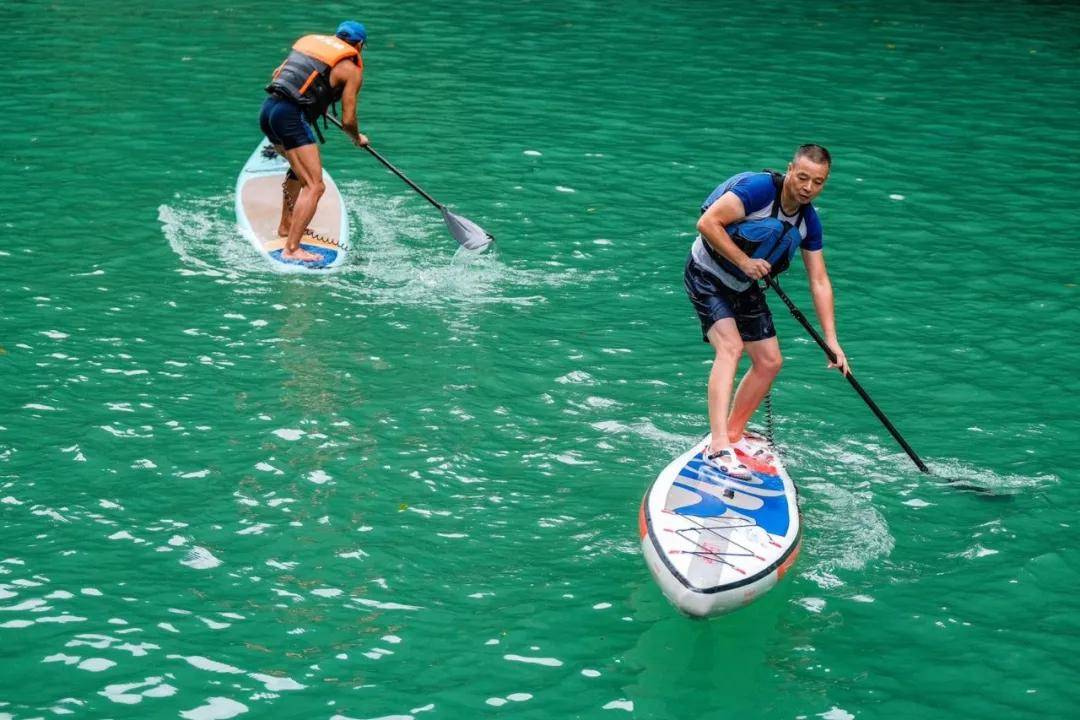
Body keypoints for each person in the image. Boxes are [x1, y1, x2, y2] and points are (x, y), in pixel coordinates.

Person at [684, 144, 848, 479]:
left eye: (817, 183)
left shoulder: (809, 222)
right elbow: (707, 223)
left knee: (771, 361)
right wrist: (744, 261)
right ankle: (717, 448)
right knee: (731, 347)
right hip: (706, 275)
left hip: (746, 286)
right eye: (802, 177)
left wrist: (832, 340)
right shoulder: (758, 190)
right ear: (790, 169)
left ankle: (734, 434)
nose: (807, 188)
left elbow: (819, 280)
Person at [259, 21, 370, 263]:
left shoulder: (310, 47)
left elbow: (278, 75)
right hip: (290, 117)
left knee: (300, 172)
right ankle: (292, 249)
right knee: (315, 185)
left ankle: (286, 227)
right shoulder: (351, 70)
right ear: (359, 45)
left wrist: (313, 95)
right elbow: (348, 120)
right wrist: (356, 138)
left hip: (268, 111)